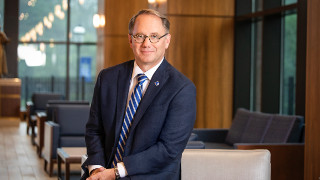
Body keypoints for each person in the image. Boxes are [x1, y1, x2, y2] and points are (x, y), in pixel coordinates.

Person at [81, 9, 196, 180]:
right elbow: (94, 130)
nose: (146, 43)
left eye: (154, 36)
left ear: (167, 41)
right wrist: (97, 170)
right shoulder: (108, 78)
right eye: (139, 36)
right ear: (130, 39)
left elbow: (168, 149)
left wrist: (115, 172)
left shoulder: (181, 88)